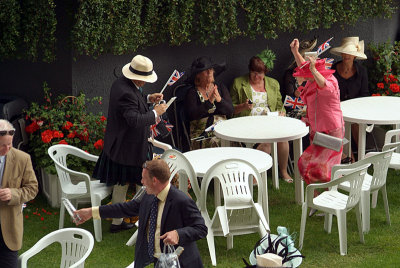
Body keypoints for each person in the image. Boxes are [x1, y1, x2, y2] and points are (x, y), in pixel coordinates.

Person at [75, 159, 207, 268]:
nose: (141, 182)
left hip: (180, 263)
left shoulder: (181, 200)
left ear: (154, 180)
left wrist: (178, 234)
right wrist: (91, 212)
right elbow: (125, 208)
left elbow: (201, 228)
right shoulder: (148, 196)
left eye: (143, 178)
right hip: (160, 261)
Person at [93, 55, 167, 233]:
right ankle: (145, 221)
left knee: (122, 184)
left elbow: (136, 100)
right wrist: (155, 113)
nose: (144, 83)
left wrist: (149, 98)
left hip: (124, 147)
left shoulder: (123, 83)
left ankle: (118, 222)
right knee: (140, 184)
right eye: (142, 80)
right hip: (128, 148)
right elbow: (134, 119)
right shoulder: (125, 91)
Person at [290, 39, 344, 211]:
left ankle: (323, 201)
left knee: (313, 167)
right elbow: (306, 69)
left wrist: (313, 70)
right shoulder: (314, 80)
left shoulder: (330, 83)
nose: (306, 75)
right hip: (318, 130)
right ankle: (319, 201)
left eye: (312, 71)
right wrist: (295, 52)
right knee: (319, 168)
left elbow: (323, 84)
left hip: (331, 131)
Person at [230, 53, 293, 183]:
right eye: (253, 72)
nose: (256, 76)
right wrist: (243, 106)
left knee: (283, 139)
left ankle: (283, 171)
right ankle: (253, 176)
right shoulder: (238, 83)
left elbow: (280, 106)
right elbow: (230, 109)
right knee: (267, 144)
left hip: (270, 122)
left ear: (265, 72)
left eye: (260, 73)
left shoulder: (273, 84)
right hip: (247, 124)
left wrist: (281, 113)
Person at [0, 119, 38, 267]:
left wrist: (13, 194)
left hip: (9, 231)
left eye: (10, 144)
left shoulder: (22, 159)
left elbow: (32, 188)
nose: (7, 148)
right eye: (3, 145)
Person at [330, 37, 369, 162]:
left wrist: (358, 109)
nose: (347, 55)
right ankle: (349, 158)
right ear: (341, 53)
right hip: (336, 108)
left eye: (350, 53)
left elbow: (364, 94)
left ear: (354, 56)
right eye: (345, 52)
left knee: (355, 124)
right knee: (340, 124)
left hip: (356, 108)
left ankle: (362, 157)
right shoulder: (333, 69)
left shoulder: (362, 72)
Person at [184, 56, 234, 149]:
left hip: (222, 129)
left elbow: (230, 110)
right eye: (206, 70)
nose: (209, 72)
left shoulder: (220, 87)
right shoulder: (192, 92)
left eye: (211, 69)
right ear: (198, 75)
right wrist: (209, 102)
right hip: (201, 133)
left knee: (232, 139)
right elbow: (192, 115)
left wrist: (219, 100)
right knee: (214, 141)